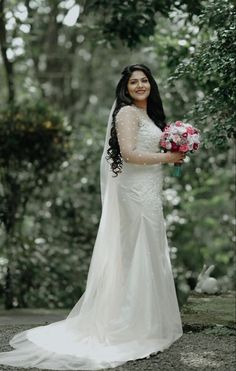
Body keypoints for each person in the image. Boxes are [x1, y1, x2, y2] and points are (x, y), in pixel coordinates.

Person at [0, 64, 184, 370]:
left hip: (150, 191)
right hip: (134, 193)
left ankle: (148, 320)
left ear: (151, 85)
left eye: (144, 80)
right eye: (133, 82)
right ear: (125, 89)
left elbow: (148, 149)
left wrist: (175, 149)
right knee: (134, 251)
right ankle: (129, 323)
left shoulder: (149, 115)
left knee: (149, 250)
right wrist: (169, 157)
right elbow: (128, 154)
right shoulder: (126, 113)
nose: (140, 85)